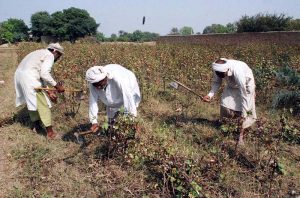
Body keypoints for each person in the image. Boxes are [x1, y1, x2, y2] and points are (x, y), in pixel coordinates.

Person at [14, 43, 65, 139]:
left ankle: (36, 127)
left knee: (32, 103)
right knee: (43, 103)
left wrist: (49, 91)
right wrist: (56, 85)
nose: (58, 59)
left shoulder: (38, 52)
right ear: (54, 51)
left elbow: (40, 76)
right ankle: (50, 134)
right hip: (29, 78)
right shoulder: (49, 55)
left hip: (20, 77)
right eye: (59, 55)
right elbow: (44, 74)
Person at [202, 58, 257, 145]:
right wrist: (210, 95)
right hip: (231, 86)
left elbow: (243, 94)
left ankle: (240, 136)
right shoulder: (218, 68)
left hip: (246, 87)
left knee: (242, 110)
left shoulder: (238, 72)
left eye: (222, 74)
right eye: (218, 74)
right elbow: (217, 82)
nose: (220, 76)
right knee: (225, 105)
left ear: (227, 70)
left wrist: (244, 113)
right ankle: (227, 127)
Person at [85, 64, 141, 133]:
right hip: (115, 97)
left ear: (105, 78)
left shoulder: (120, 80)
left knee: (128, 115)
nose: (98, 87)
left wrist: (131, 120)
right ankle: (112, 128)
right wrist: (94, 122)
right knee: (111, 113)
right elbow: (93, 102)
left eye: (100, 84)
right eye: (96, 85)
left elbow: (128, 100)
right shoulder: (93, 83)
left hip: (129, 85)